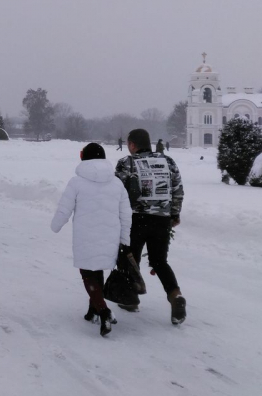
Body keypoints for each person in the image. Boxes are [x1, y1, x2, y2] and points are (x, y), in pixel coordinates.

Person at [51, 143, 132, 337]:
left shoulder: (76, 182)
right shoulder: (116, 183)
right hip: (110, 235)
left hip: (85, 236)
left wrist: (56, 225)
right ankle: (93, 310)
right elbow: (126, 214)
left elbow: (65, 208)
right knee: (98, 270)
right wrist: (124, 239)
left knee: (88, 273)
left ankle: (103, 311)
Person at [115, 128, 187, 325]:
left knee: (131, 258)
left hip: (135, 219)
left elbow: (117, 192)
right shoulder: (168, 161)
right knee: (159, 261)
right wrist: (174, 213)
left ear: (131, 144)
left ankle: (130, 300)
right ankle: (175, 295)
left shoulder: (126, 163)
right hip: (161, 220)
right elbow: (177, 189)